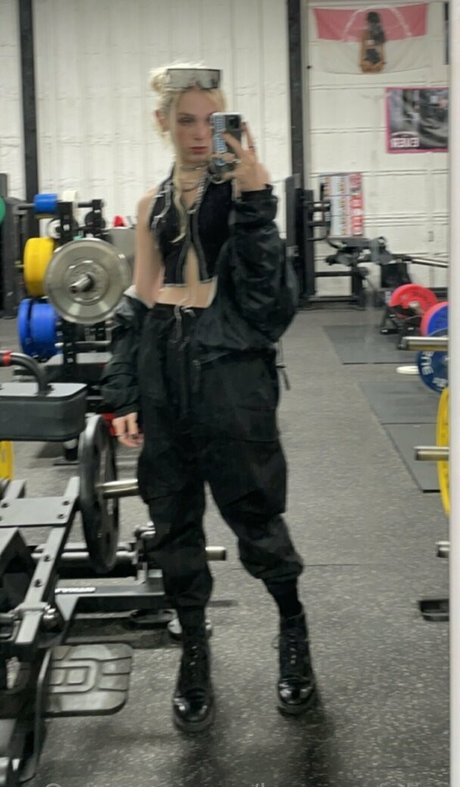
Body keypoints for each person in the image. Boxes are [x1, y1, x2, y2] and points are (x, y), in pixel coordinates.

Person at [101, 64, 315, 733]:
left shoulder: (246, 196)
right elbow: (139, 299)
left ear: (229, 127)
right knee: (173, 521)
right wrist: (124, 390)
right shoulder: (151, 206)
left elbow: (270, 307)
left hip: (231, 374)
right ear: (162, 123)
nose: (199, 134)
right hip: (165, 369)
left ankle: (293, 631)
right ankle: (194, 650)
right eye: (185, 120)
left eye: (211, 121)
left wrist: (255, 203)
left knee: (257, 513)